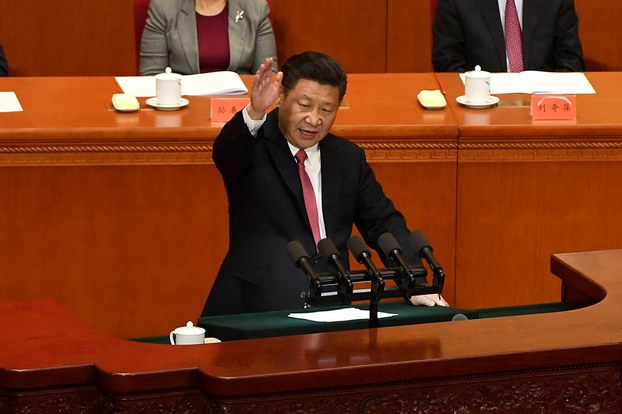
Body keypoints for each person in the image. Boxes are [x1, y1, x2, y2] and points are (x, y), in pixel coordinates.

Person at [201, 51, 448, 316]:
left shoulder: (347, 158)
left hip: (332, 304)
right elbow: (224, 153)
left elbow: (383, 222)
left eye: (327, 109)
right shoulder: (253, 146)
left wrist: (416, 280)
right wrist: (255, 111)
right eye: (304, 106)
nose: (314, 119)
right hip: (258, 306)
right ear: (282, 96)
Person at [432, 0, 585, 73]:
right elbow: (447, 64)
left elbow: (571, 63)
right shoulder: (456, 2)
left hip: (542, 110)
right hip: (480, 110)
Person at [140, 0, 277, 76]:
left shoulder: (255, 7)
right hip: (181, 104)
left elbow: (268, 77)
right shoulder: (164, 7)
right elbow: (151, 76)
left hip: (240, 108)